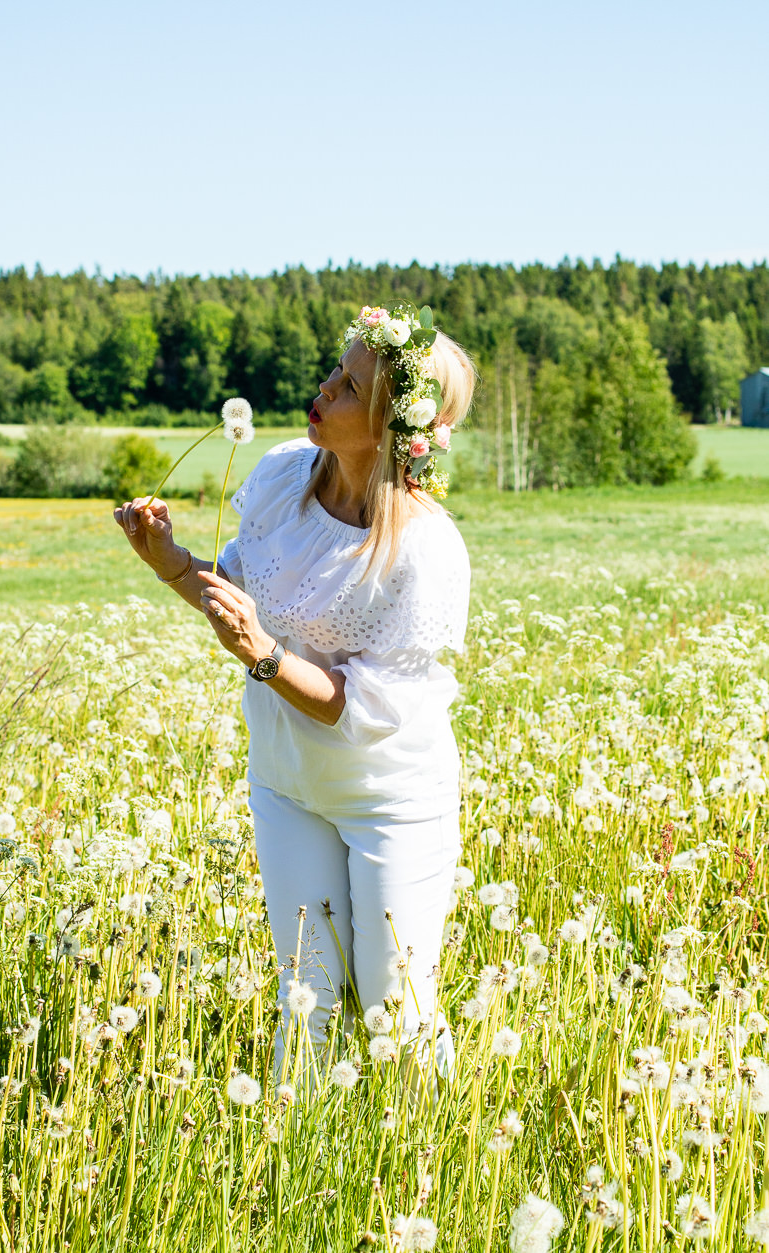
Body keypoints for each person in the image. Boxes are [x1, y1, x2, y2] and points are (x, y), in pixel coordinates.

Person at [114, 303, 476, 1095]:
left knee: (396, 1004)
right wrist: (170, 560)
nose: (323, 389)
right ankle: (291, 1155)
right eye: (334, 369)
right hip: (287, 781)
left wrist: (266, 658)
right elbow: (240, 588)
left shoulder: (423, 549)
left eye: (347, 386)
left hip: (390, 799)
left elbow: (364, 706)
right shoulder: (281, 475)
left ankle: (426, 1160)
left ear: (387, 428)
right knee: (305, 991)